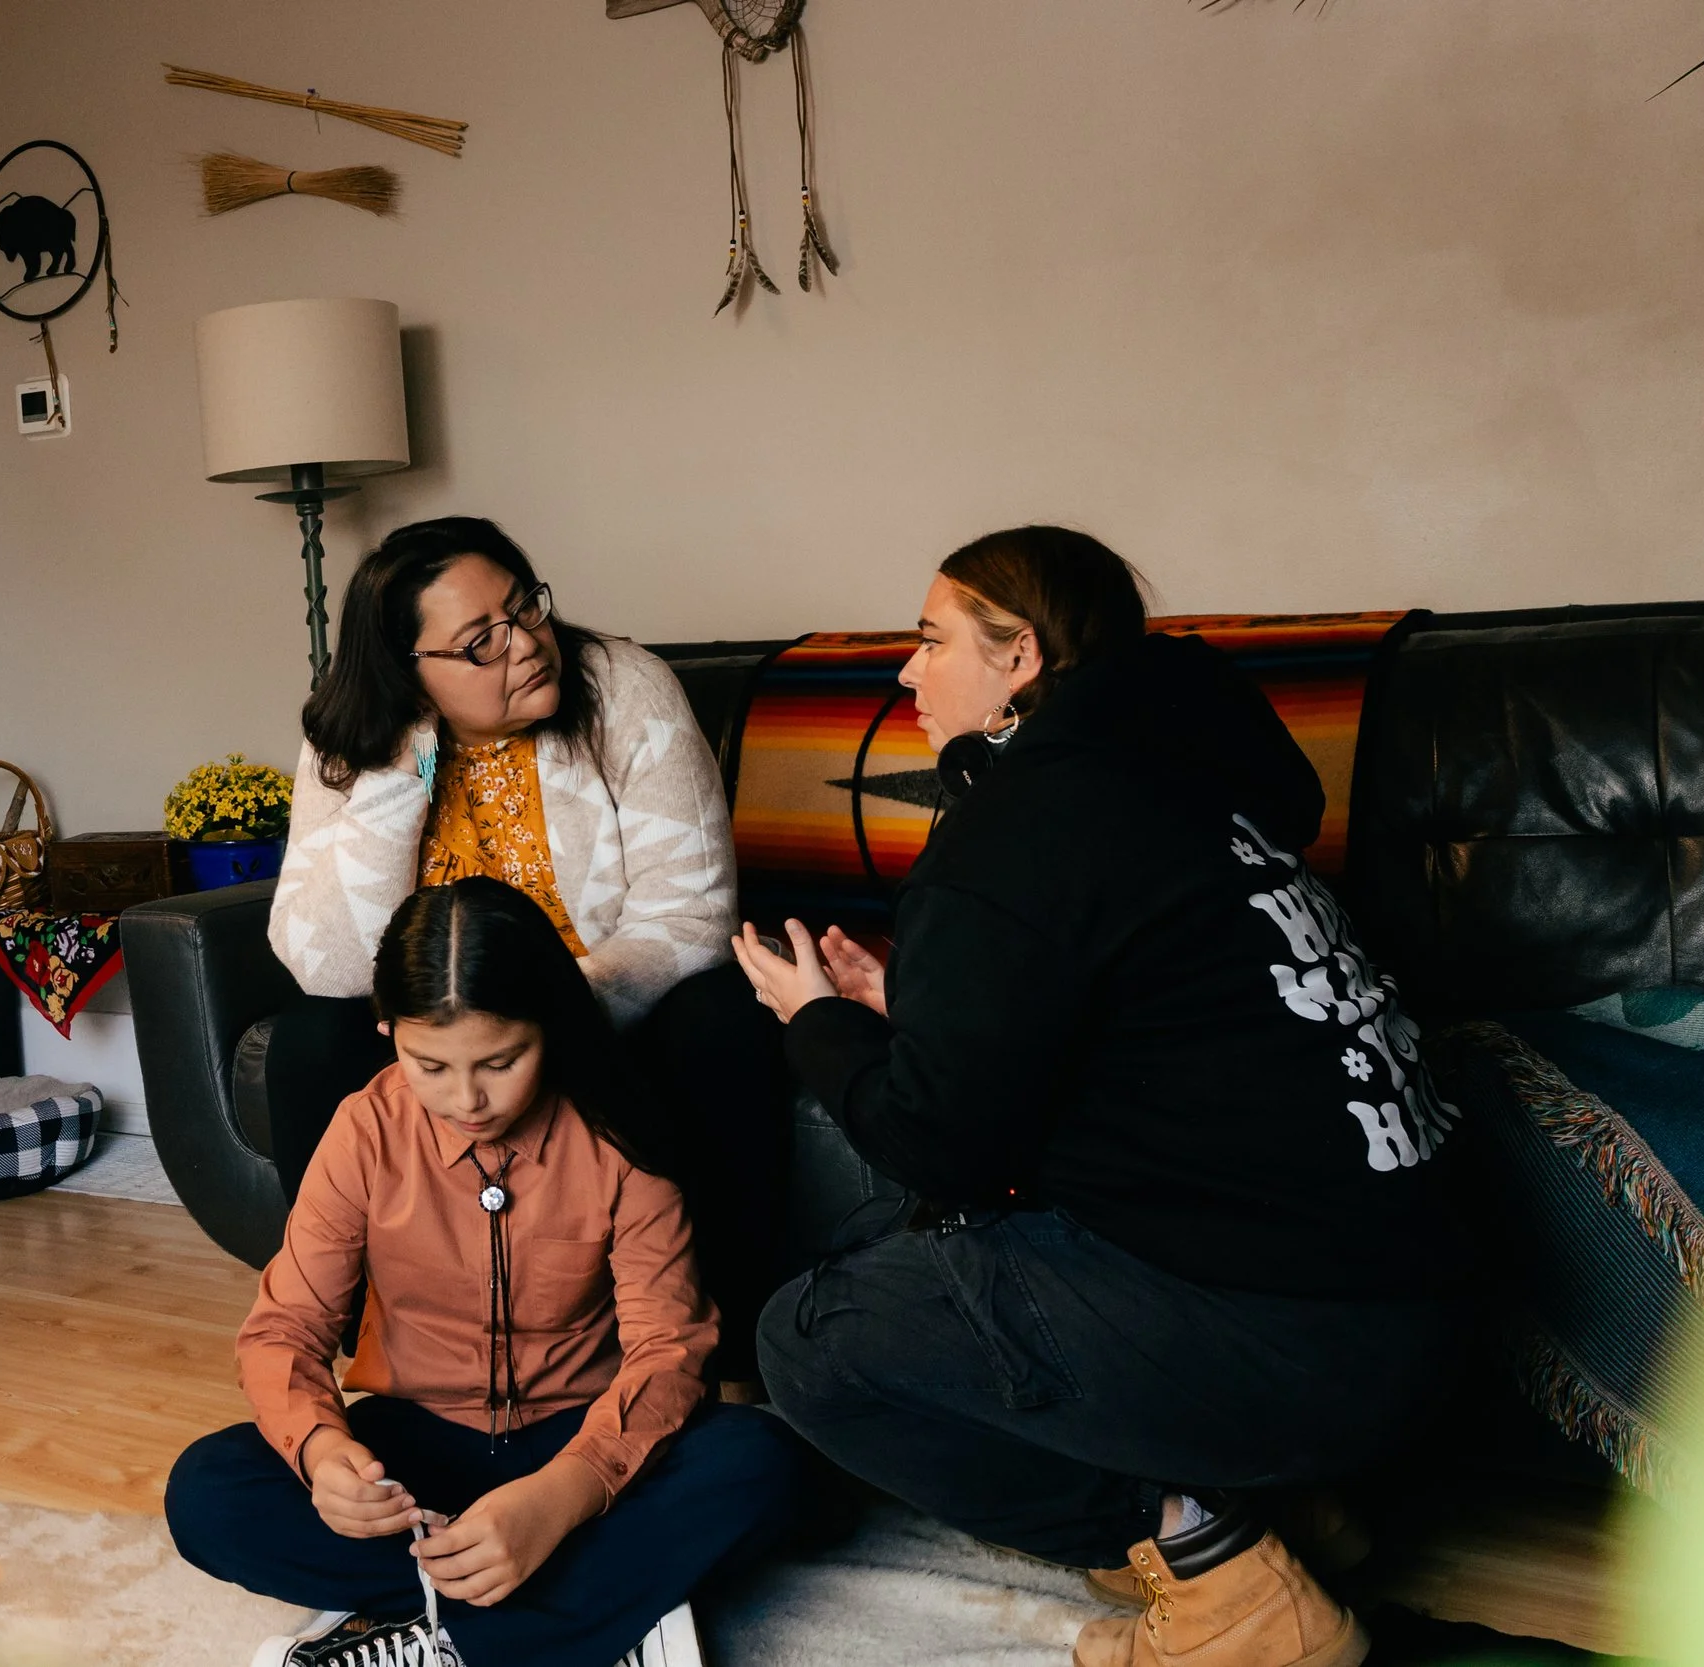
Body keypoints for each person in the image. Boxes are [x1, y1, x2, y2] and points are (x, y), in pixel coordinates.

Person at [731, 527, 1461, 1667]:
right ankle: (1285, 1513)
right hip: (1409, 1318)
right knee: (904, 1247)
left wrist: (813, 1021)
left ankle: (1227, 1573)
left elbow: (940, 1146)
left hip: (1298, 1344)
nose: (905, 671)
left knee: (815, 1337)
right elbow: (1140, 1041)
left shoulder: (1022, 825)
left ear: (1018, 655)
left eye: (929, 639)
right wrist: (914, 1006)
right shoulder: (1189, 780)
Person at [169, 878, 803, 1667]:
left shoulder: (619, 1130)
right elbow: (285, 1329)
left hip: (580, 1437)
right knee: (207, 1490)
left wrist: (560, 1498)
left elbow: (667, 1350)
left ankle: (451, 1635)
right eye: (428, 1064)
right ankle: (574, 1610)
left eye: (502, 1061)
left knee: (762, 1465)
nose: (467, 1099)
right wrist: (324, 1453)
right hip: (418, 1455)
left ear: (551, 1027)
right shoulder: (365, 1129)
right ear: (386, 1029)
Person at [266, 516, 789, 1370]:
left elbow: (692, 913)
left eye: (526, 609)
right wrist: (408, 756)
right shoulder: (359, 735)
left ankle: (731, 1364)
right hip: (437, 1021)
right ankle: (360, 1354)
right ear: (411, 672)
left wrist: (548, 1020)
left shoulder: (625, 687)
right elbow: (324, 960)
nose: (526, 644)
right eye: (480, 643)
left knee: (722, 1017)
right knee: (308, 1040)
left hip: (607, 1008)